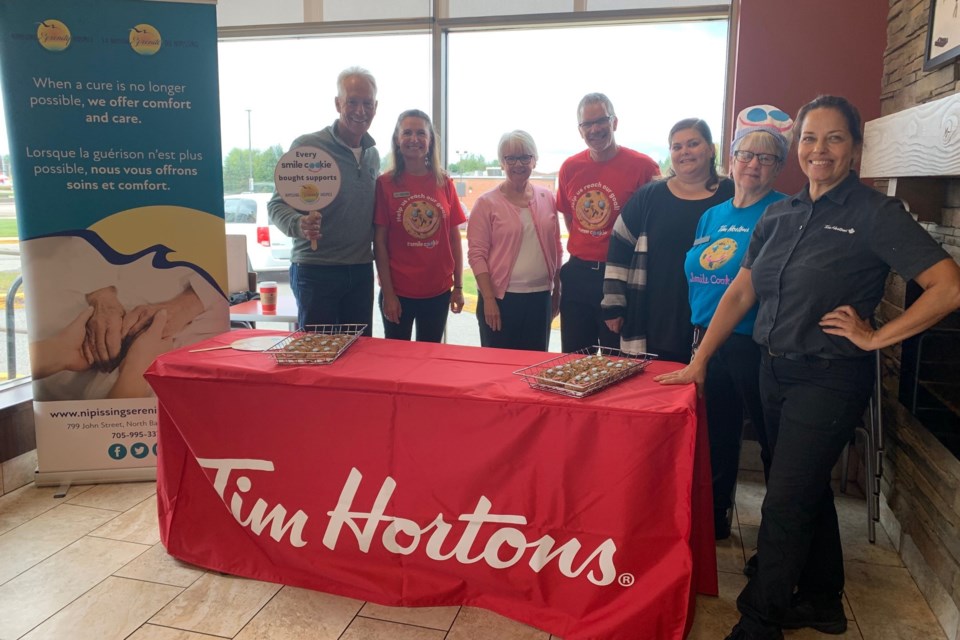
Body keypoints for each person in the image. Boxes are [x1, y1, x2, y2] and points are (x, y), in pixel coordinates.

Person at [656, 95, 960, 640]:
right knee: (806, 488)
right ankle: (821, 600)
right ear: (798, 148)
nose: (820, 150)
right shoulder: (780, 214)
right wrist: (700, 361)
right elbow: (741, 291)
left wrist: (876, 337)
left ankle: (759, 620)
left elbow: (948, 286)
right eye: (810, 139)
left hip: (830, 377)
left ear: (855, 148)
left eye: (834, 138)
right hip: (773, 372)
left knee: (786, 500)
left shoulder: (875, 214)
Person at [685, 105, 793, 541]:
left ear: (780, 166)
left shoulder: (785, 211)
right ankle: (714, 524)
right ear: (730, 160)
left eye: (766, 158)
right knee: (717, 437)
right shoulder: (712, 215)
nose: (753, 164)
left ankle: (777, 537)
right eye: (746, 155)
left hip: (755, 343)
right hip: (708, 339)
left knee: (772, 443)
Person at [602, 118, 734, 361]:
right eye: (677, 146)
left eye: (693, 143)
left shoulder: (733, 195)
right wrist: (614, 304)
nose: (684, 152)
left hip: (715, 316)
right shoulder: (649, 197)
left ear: (710, 149)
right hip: (656, 314)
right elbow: (619, 244)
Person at [268, 66, 380, 335]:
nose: (360, 110)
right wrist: (299, 224)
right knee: (318, 358)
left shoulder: (373, 155)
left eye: (367, 103)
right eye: (352, 101)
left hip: (361, 271)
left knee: (359, 355)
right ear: (337, 103)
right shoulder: (308, 147)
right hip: (316, 271)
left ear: (376, 106)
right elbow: (276, 204)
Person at [556, 93, 660, 353]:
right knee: (575, 359)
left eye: (601, 120)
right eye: (586, 124)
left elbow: (653, 224)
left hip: (620, 277)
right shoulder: (569, 168)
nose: (594, 129)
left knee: (618, 361)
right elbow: (571, 216)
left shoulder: (644, 167)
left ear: (614, 122)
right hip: (578, 274)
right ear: (580, 131)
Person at [373, 109, 466, 342]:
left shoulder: (444, 182)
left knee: (430, 360)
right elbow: (380, 244)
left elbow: (454, 238)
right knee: (397, 362)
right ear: (397, 139)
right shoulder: (385, 184)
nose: (414, 139)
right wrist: (389, 294)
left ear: (430, 140)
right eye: (407, 133)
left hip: (438, 292)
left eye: (421, 133)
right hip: (399, 293)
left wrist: (459, 287)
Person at [467, 130, 562, 351]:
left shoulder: (547, 197)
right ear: (502, 163)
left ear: (534, 160)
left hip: (540, 299)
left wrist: (557, 289)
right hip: (501, 300)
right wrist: (489, 299)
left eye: (524, 157)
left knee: (533, 368)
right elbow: (476, 255)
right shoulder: (486, 203)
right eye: (510, 158)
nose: (518, 164)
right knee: (498, 368)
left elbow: (556, 247)